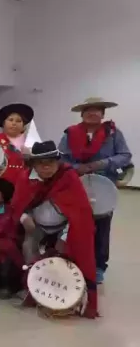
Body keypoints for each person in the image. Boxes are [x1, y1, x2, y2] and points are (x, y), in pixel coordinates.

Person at [11, 141, 98, 318]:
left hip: (64, 227)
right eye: (41, 163)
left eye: (51, 162)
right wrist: (24, 217)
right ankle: (33, 289)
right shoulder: (25, 178)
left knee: (72, 252)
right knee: (28, 247)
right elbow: (18, 205)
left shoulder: (68, 177)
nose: (47, 167)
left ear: (58, 162)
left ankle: (71, 292)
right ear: (34, 164)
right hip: (37, 226)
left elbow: (79, 213)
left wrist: (64, 237)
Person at [58, 97, 132, 284]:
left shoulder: (113, 134)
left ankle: (99, 266)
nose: (93, 113)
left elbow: (125, 156)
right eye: (89, 110)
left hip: (105, 187)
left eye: (97, 110)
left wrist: (103, 163)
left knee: (102, 227)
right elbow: (60, 159)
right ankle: (74, 260)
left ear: (103, 114)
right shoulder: (70, 134)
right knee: (74, 224)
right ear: (82, 114)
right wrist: (76, 168)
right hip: (76, 184)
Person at [0, 103, 34, 185]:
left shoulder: (29, 142)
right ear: (3, 123)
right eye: (10, 120)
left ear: (23, 126)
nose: (14, 123)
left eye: (19, 121)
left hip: (22, 185)